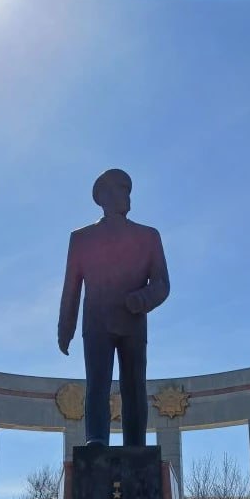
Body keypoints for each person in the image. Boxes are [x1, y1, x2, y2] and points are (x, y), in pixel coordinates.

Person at [58, 169, 170, 446]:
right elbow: (71, 287)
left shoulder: (148, 236)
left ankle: (136, 444)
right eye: (120, 190)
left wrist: (142, 299)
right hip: (97, 323)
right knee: (97, 383)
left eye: (127, 190)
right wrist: (65, 328)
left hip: (133, 321)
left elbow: (162, 283)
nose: (127, 196)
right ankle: (96, 439)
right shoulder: (82, 238)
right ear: (103, 197)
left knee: (134, 385)